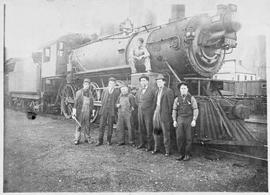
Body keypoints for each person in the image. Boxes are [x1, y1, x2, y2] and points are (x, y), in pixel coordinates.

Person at [172, 82, 199, 161]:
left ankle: (187, 154)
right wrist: (174, 120)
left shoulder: (191, 98)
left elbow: (195, 109)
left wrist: (194, 119)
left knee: (189, 137)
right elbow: (174, 110)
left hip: (189, 119)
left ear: (187, 89)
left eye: (184, 88)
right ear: (179, 90)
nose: (183, 90)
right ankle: (181, 154)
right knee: (179, 137)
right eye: (181, 88)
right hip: (180, 118)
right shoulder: (177, 99)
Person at [152, 74, 174, 157]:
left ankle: (167, 151)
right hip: (156, 112)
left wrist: (169, 117)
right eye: (157, 82)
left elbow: (170, 105)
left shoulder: (168, 91)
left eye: (160, 81)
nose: (159, 83)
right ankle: (156, 148)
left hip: (164, 115)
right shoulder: (157, 91)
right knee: (156, 131)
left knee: (166, 133)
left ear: (164, 82)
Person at [96, 77, 120, 146]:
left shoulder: (117, 91)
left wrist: (115, 106)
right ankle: (100, 140)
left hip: (112, 110)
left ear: (115, 84)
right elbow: (102, 99)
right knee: (101, 125)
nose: (111, 84)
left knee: (110, 125)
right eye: (110, 83)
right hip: (104, 110)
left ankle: (109, 140)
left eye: (113, 83)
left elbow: (117, 101)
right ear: (108, 84)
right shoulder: (105, 90)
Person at [135, 74, 156, 151]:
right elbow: (136, 101)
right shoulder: (139, 90)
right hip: (140, 112)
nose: (142, 82)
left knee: (149, 128)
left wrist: (151, 109)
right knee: (141, 128)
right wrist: (141, 106)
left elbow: (154, 101)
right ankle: (142, 143)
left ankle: (150, 145)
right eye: (141, 81)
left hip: (148, 112)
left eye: (144, 80)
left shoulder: (152, 90)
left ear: (147, 81)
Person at [72, 78, 94, 145]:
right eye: (85, 84)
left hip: (87, 111)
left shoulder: (90, 93)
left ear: (89, 85)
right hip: (80, 111)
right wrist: (74, 112)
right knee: (79, 125)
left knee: (87, 125)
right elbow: (75, 103)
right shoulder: (79, 92)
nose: (86, 85)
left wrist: (92, 112)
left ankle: (88, 138)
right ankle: (77, 139)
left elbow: (92, 103)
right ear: (83, 84)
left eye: (88, 84)